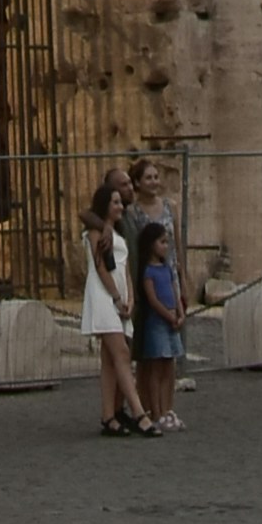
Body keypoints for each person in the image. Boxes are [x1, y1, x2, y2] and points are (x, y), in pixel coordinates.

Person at [80, 172, 145, 435]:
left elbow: (125, 268)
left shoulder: (116, 231)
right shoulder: (96, 232)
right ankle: (139, 411)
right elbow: (100, 267)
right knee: (121, 354)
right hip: (104, 296)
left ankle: (109, 415)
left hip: (119, 296)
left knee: (109, 359)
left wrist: (129, 297)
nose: (120, 206)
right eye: (115, 202)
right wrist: (117, 298)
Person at [127, 164, 187, 431]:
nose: (154, 181)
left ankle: (168, 408)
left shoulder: (170, 206)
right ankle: (149, 407)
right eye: (148, 177)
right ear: (137, 183)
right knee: (149, 353)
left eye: (155, 176)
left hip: (169, 275)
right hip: (147, 276)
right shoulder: (132, 211)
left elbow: (177, 245)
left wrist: (183, 279)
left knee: (169, 355)